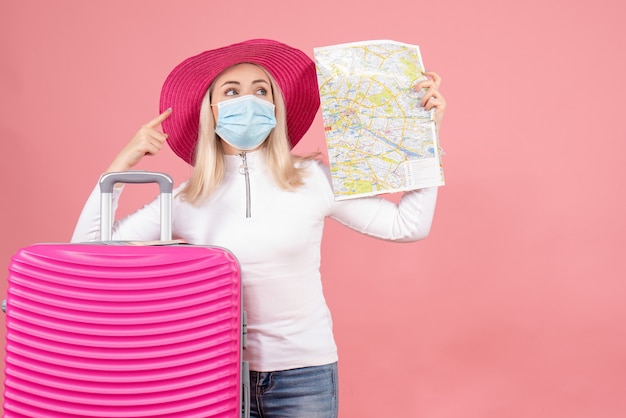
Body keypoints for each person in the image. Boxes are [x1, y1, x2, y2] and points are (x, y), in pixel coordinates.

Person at [72, 38, 446, 418]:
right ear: (211, 111)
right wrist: (119, 167)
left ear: (275, 108)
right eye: (231, 91)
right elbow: (86, 251)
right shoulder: (186, 199)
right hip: (217, 376)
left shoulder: (311, 179)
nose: (247, 101)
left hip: (306, 374)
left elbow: (408, 225)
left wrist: (423, 139)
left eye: (261, 90)